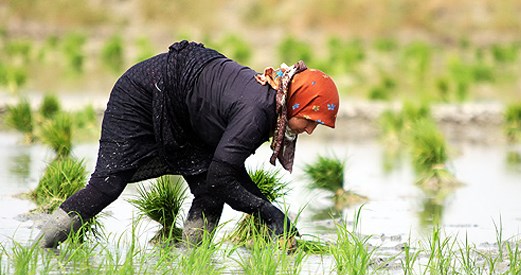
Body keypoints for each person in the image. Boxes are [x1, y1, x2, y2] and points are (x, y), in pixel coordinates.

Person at [34, 40, 340, 248]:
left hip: (184, 108)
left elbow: (223, 173)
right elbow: (225, 175)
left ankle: (191, 264)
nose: (310, 131)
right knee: (107, 185)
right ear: (295, 105)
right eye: (310, 121)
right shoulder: (257, 112)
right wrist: (269, 211)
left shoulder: (270, 104)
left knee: (209, 188)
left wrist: (268, 212)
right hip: (143, 93)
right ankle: (41, 248)